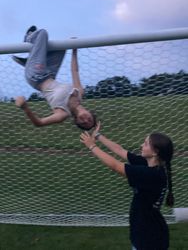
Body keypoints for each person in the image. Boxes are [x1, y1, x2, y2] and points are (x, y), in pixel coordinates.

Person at [80, 122, 174, 250]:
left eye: (145, 144)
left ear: (155, 152)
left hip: (149, 238)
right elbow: (120, 150)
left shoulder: (150, 174)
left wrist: (92, 146)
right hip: (147, 230)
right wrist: (98, 136)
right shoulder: (148, 164)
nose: (141, 145)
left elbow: (116, 166)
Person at [13, 26, 96, 130]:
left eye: (83, 123)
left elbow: (39, 123)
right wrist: (75, 48)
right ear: (91, 113)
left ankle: (28, 39)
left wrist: (25, 107)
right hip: (50, 73)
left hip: (36, 76)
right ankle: (30, 61)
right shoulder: (79, 92)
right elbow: (75, 71)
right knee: (63, 46)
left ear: (76, 121)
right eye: (90, 120)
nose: (85, 120)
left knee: (42, 33)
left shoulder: (62, 113)